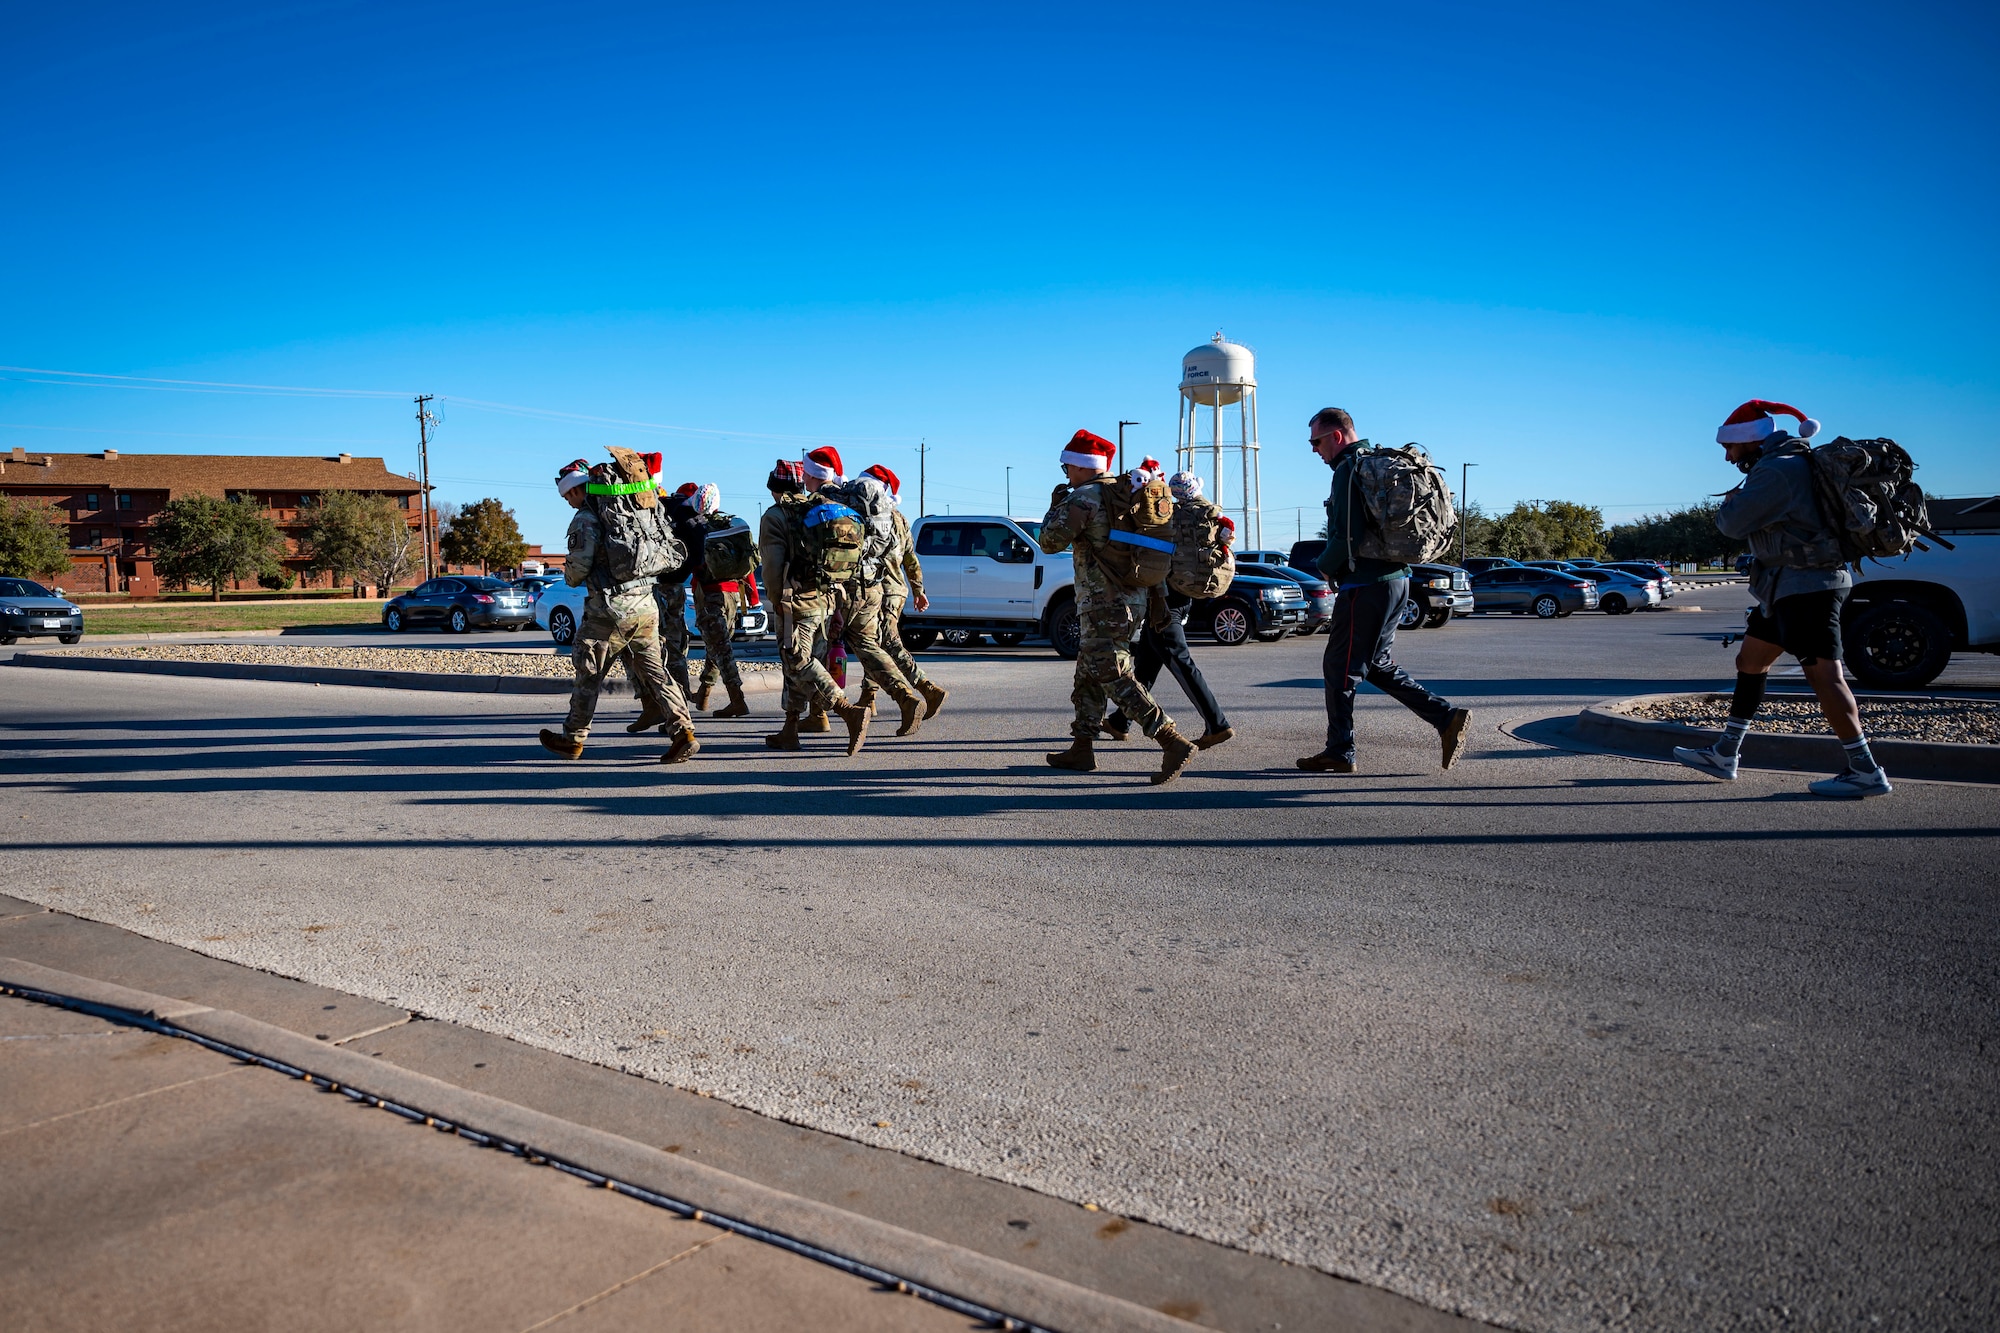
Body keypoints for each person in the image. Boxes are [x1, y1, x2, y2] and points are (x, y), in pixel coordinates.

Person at [1674, 400, 1891, 797]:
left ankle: (1865, 770)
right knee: (1751, 661)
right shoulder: (1788, 463)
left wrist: (1728, 506)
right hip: (1784, 587)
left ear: (1751, 440)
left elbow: (1733, 524)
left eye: (1730, 447)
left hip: (1808, 586)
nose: (1727, 456)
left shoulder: (1777, 470)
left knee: (1825, 676)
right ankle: (1725, 753)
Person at [1297, 408, 1471, 774]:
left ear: (1337, 436)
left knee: (1338, 668)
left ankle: (1340, 751)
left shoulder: (1348, 469)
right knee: (1376, 665)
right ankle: (1446, 718)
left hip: (1366, 586)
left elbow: (1347, 538)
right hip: (1398, 581)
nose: (1315, 450)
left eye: (1316, 441)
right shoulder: (1375, 463)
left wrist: (1324, 566)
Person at [1037, 429, 1198, 784]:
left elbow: (1048, 541)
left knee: (1112, 673)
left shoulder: (1084, 498)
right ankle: (1082, 746)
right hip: (1133, 597)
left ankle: (1170, 739)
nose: (1065, 472)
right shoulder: (1123, 493)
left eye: (1068, 466)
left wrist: (1055, 506)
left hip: (1103, 602)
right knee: (1089, 672)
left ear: (1083, 467)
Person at [540, 459, 697, 764]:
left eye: (567, 495)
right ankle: (684, 733)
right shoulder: (631, 514)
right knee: (657, 673)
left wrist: (570, 571)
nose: (567, 501)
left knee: (589, 673)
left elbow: (576, 572)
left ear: (575, 489)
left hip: (608, 612)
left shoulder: (586, 519)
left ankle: (573, 738)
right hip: (646, 606)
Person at [1103, 471, 1232, 748]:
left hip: (1167, 599)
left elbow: (1153, 541)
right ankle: (1120, 722)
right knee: (1147, 664)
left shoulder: (1173, 515)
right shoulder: (1206, 514)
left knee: (1180, 661)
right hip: (1182, 595)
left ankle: (1217, 724)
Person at [760, 453, 873, 755]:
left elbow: (771, 568)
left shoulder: (775, 516)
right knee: (799, 666)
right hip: (824, 601)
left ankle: (848, 710)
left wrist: (776, 601)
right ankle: (792, 728)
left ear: (774, 488)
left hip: (794, 604)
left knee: (797, 661)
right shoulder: (816, 510)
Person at [855, 463, 949, 722]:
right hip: (897, 590)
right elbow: (910, 557)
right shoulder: (900, 518)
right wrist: (918, 590)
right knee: (873, 642)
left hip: (882, 589)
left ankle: (927, 689)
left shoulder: (872, 517)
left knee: (888, 643)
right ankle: (868, 696)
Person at [682, 483, 754, 719]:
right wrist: (753, 597)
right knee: (717, 645)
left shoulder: (698, 529)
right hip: (734, 594)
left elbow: (692, 565)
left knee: (721, 649)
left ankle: (737, 699)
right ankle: (704, 692)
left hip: (711, 594)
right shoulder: (731, 527)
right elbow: (749, 564)